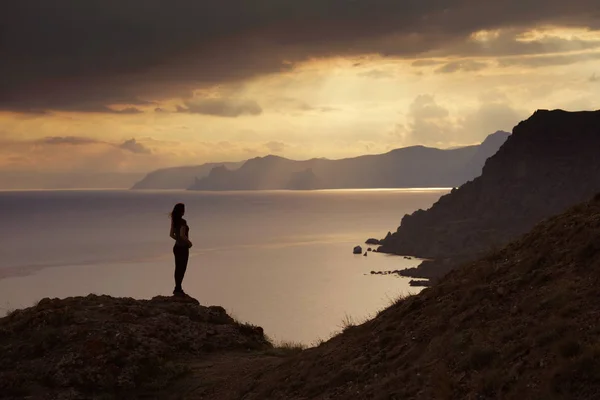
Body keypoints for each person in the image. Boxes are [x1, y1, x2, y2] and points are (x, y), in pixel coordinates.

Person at [169, 203, 192, 295]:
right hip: (183, 248)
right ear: (181, 211)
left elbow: (171, 234)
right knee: (182, 268)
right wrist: (189, 243)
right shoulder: (183, 222)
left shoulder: (174, 220)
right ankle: (178, 289)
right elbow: (182, 235)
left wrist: (178, 239)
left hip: (176, 247)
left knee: (177, 268)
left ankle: (177, 288)